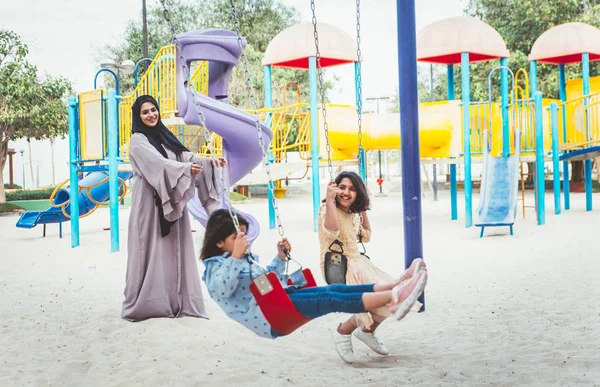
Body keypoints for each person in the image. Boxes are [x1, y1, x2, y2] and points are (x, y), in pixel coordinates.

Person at [200, 209, 427, 362]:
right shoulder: (214, 268)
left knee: (333, 291)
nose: (244, 241)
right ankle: (395, 299)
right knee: (328, 300)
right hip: (270, 317)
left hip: (276, 302)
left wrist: (279, 258)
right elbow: (222, 288)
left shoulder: (243, 258)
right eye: (236, 237)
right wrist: (236, 257)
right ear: (219, 242)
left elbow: (267, 281)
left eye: (244, 235)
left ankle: (393, 286)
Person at [122, 95, 225, 322]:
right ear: (138, 117)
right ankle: (147, 302)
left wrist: (209, 162)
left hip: (172, 199)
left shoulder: (163, 135)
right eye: (145, 112)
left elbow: (183, 155)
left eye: (153, 110)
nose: (151, 115)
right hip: (149, 204)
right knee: (149, 249)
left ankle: (175, 299)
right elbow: (158, 165)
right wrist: (186, 169)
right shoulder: (138, 141)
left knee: (172, 249)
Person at [318, 171, 426, 362]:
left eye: (352, 189)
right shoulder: (327, 209)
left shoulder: (353, 213)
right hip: (340, 266)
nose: (346, 192)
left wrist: (362, 208)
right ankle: (343, 331)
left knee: (391, 296)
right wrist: (329, 198)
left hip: (359, 262)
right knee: (372, 301)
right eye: (342, 187)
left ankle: (367, 331)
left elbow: (366, 236)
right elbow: (332, 231)